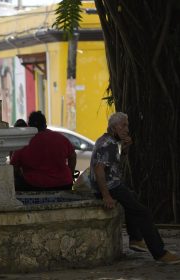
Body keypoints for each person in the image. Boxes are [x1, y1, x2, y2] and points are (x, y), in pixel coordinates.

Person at [90, 112, 180, 264]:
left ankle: (136, 239)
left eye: (127, 125)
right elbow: (99, 170)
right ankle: (160, 253)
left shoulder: (108, 140)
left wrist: (125, 148)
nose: (127, 129)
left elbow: (113, 163)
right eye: (123, 125)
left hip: (114, 184)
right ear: (113, 127)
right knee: (144, 213)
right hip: (111, 187)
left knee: (132, 197)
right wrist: (106, 196)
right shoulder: (109, 144)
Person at [10, 111, 77, 191]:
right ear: (45, 125)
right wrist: (70, 173)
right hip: (63, 184)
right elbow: (73, 156)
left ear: (29, 126)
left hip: (33, 186)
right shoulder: (61, 138)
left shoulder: (24, 142)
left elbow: (13, 167)